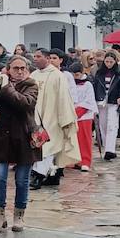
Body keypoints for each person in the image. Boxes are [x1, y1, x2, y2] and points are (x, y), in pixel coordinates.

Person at [0, 53, 38, 232]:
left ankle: (19, 215)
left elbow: (25, 104)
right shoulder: (2, 85)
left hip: (24, 137)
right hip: (2, 137)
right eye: (16, 68)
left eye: (23, 68)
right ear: (8, 69)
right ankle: (0, 215)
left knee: (22, 180)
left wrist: (6, 87)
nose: (20, 71)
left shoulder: (31, 85)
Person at [29, 48, 80, 188]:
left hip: (53, 117)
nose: (35, 59)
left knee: (49, 146)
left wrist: (65, 117)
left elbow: (64, 98)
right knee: (40, 146)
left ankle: (38, 176)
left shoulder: (57, 75)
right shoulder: (33, 75)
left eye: (38, 56)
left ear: (46, 58)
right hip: (36, 117)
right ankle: (51, 175)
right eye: (34, 56)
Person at [92, 51, 120, 161]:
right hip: (101, 102)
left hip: (113, 102)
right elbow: (95, 88)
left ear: (115, 62)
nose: (108, 64)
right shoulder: (99, 74)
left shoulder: (119, 75)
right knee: (103, 125)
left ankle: (110, 149)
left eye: (111, 62)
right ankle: (107, 146)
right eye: (107, 61)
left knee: (112, 125)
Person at [69, 61, 97, 172]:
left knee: (84, 139)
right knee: (72, 139)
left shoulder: (87, 84)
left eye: (77, 75)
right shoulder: (69, 83)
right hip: (70, 114)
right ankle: (73, 160)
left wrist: (78, 112)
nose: (75, 77)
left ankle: (85, 161)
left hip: (84, 116)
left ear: (82, 73)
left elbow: (89, 101)